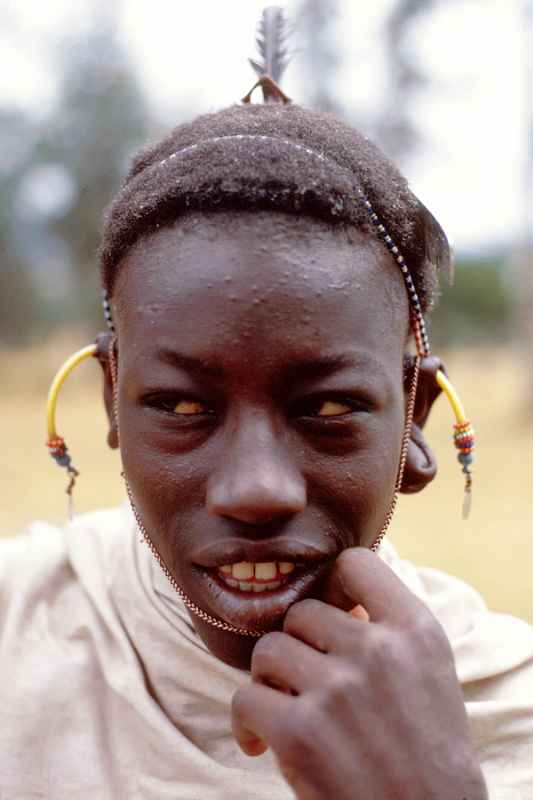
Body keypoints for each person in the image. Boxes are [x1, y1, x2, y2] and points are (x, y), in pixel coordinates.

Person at [2, 18, 533, 799]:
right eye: (181, 405)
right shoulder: (18, 634)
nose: (255, 491)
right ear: (113, 399)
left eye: (328, 407)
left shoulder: (506, 715)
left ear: (414, 417)